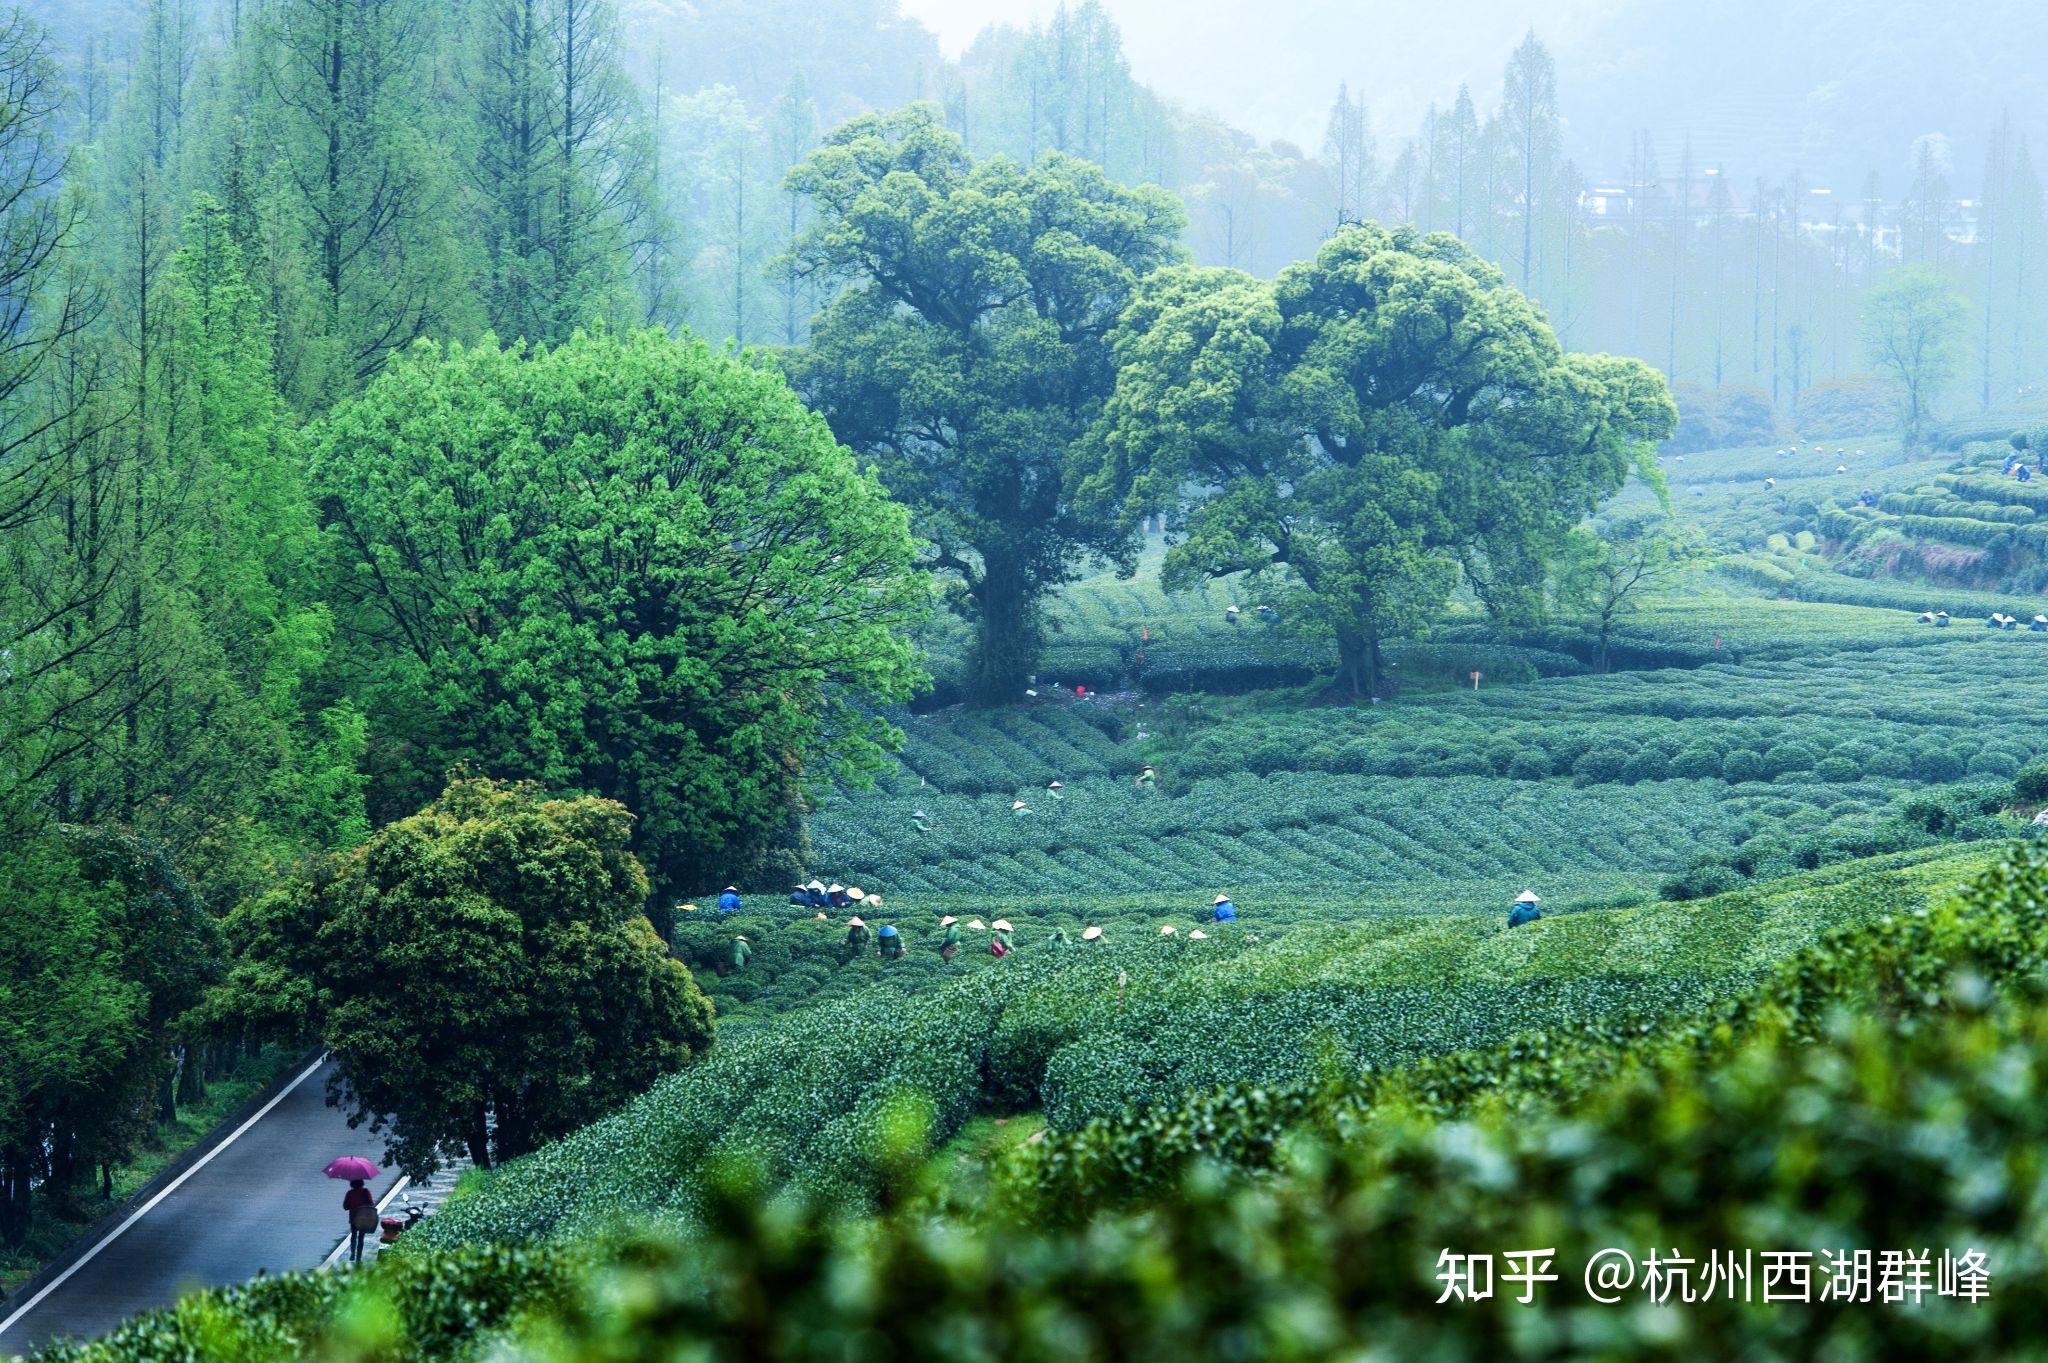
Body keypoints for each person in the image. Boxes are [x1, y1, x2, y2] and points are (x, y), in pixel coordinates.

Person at [343, 1179, 377, 1264]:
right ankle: (358, 1257)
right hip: (363, 1219)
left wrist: (352, 1206)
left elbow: (345, 1206)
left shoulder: (350, 1193)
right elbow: (371, 1204)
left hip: (353, 1219)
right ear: (362, 1183)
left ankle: (352, 1253)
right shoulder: (365, 1192)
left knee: (353, 1236)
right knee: (361, 1238)